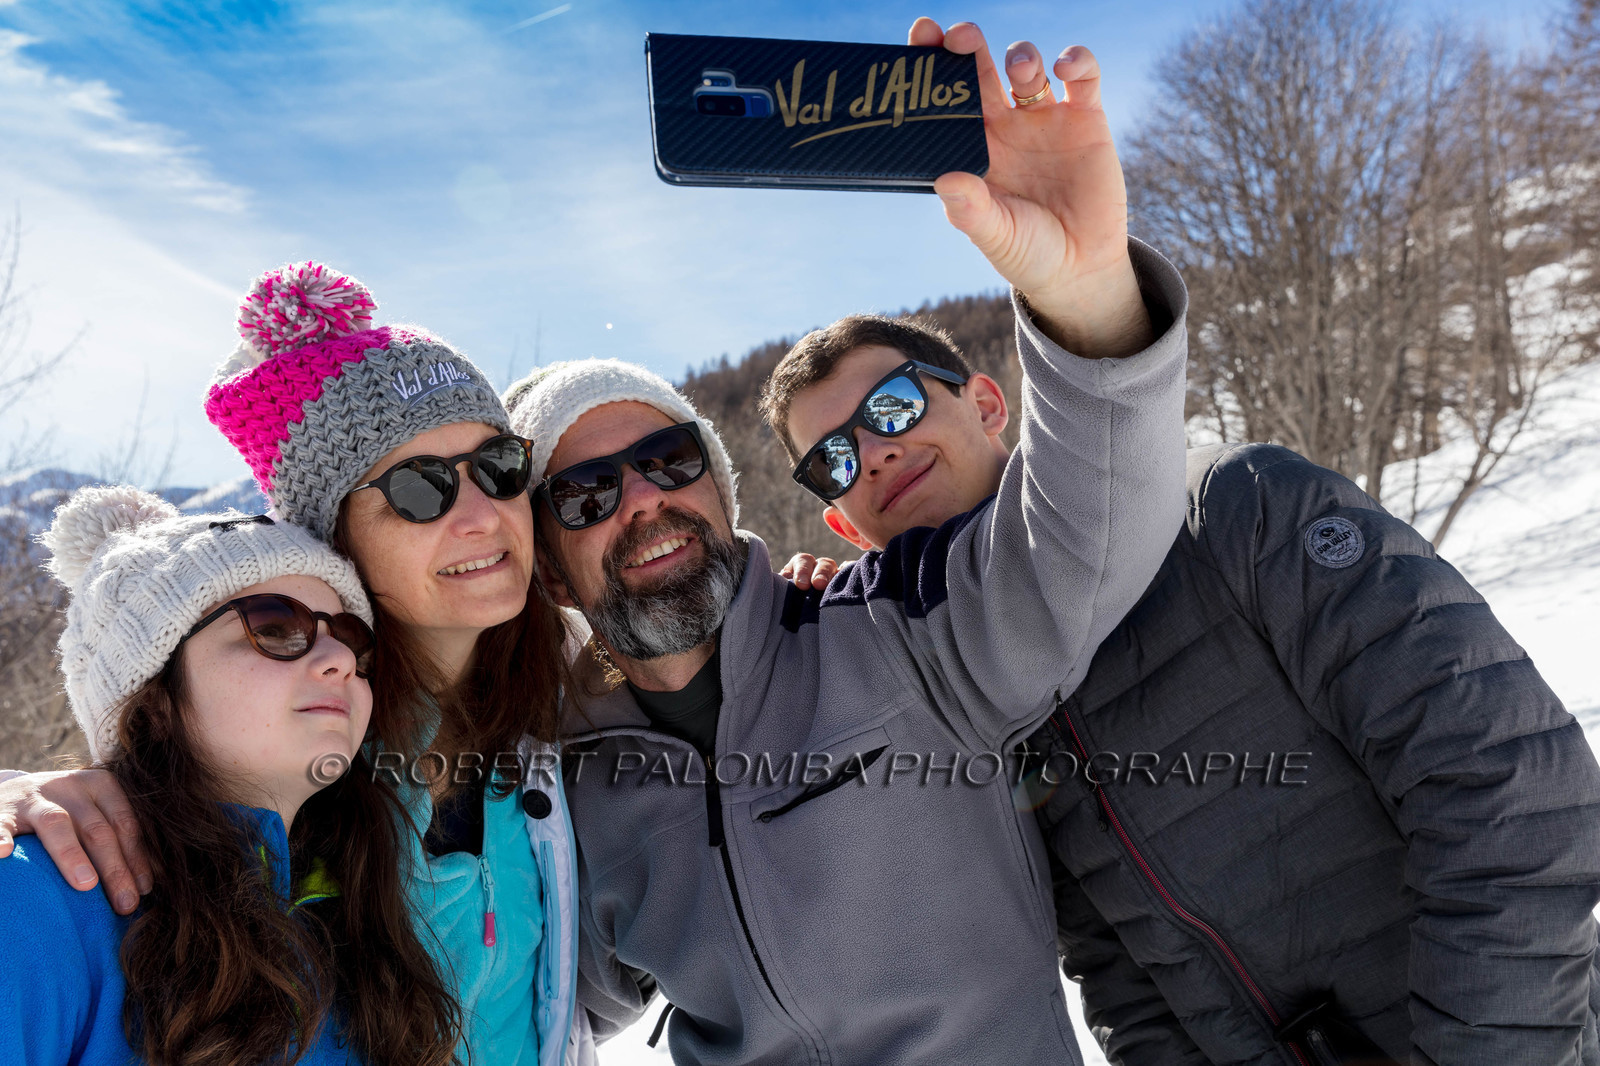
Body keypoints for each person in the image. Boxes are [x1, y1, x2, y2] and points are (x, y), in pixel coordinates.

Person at [502, 18, 1187, 1062]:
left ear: (719, 489)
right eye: (587, 492)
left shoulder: (893, 631)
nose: (641, 498)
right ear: (548, 560)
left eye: (671, 458)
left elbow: (1088, 535)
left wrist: (1084, 291)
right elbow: (536, 993)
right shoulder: (570, 774)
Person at [761, 294, 1600, 1059]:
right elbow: (1118, 974)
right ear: (842, 520)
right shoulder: (965, 700)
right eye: (833, 459)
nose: (873, 453)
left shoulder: (1232, 508)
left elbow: (1513, 789)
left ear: (985, 403)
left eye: (894, 406)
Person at [0, 263, 589, 1066]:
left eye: (501, 468)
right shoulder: (295, 772)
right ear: (333, 535)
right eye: (419, 491)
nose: (482, 515)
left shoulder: (578, 687)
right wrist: (35, 798)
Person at [0, 485, 459, 1064]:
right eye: (272, 626)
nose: (340, 659)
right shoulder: (33, 898)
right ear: (154, 702)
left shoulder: (365, 918)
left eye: (350, 636)